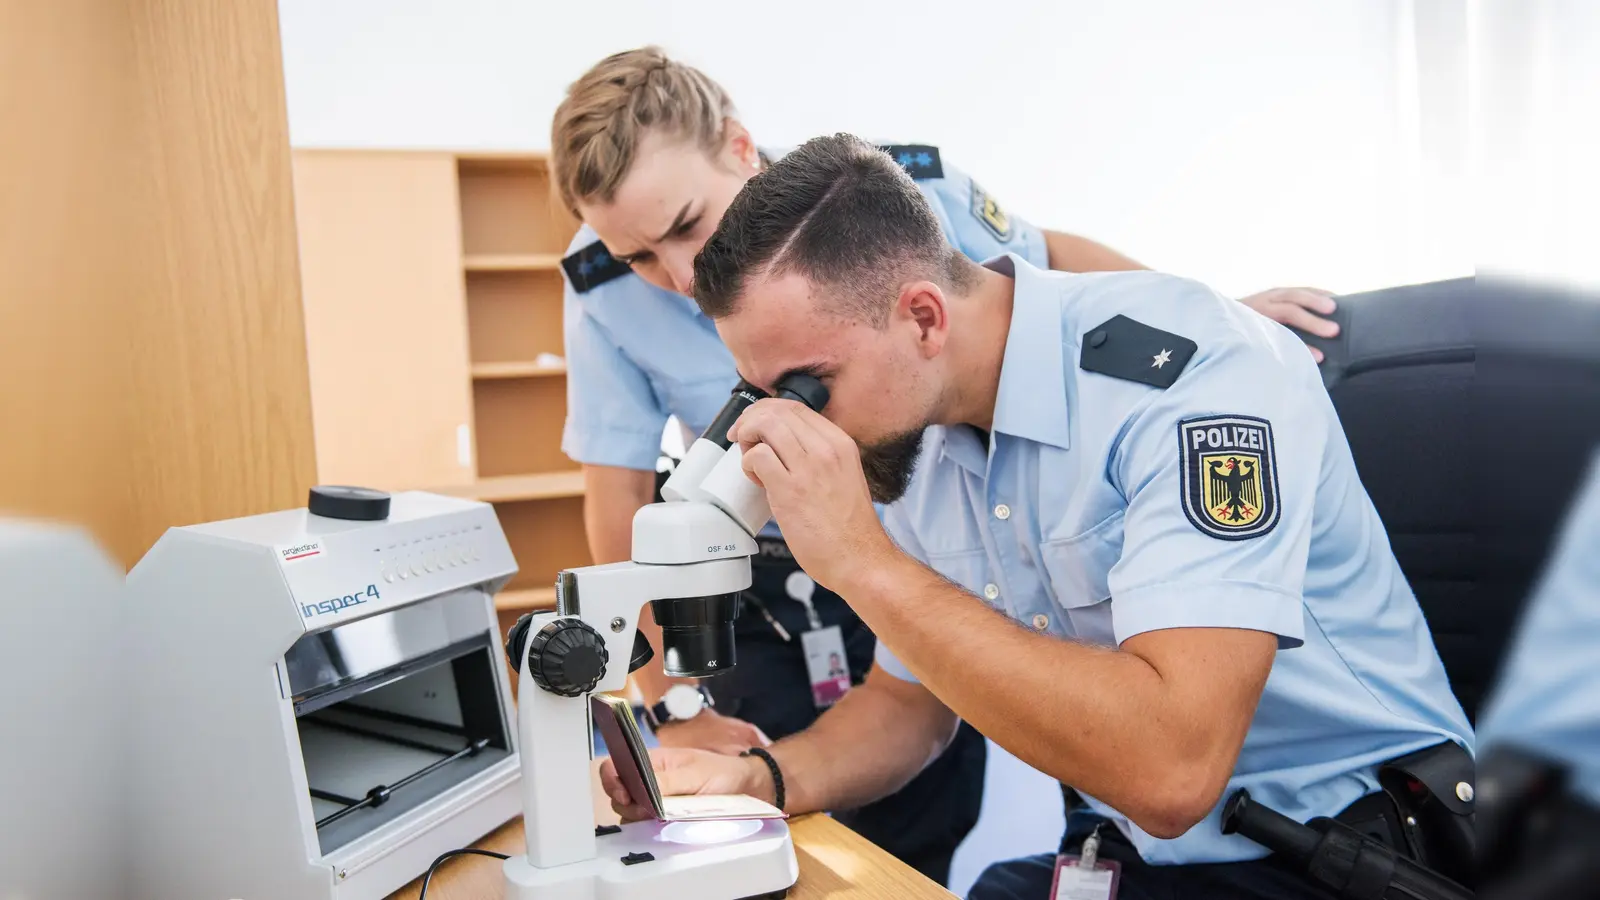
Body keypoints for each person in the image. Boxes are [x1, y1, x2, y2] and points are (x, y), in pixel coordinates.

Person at [599, 133, 1474, 900]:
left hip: (1342, 850)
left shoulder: (1194, 383)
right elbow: (908, 709)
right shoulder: (912, 433)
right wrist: (760, 779)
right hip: (1131, 856)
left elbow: (1172, 769)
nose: (792, 423)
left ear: (924, 317)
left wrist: (863, 562)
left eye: (805, 388)